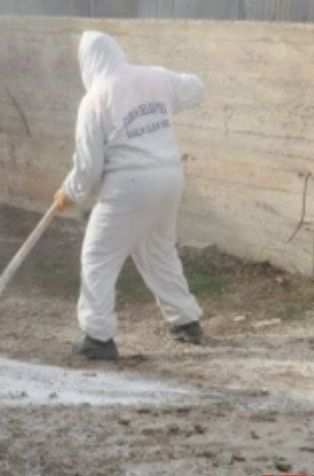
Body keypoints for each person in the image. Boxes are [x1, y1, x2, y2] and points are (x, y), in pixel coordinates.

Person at [53, 31, 206, 361]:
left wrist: (69, 193)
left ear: (88, 61)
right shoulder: (155, 76)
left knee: (98, 256)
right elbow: (196, 87)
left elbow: (88, 165)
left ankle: (98, 337)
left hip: (129, 185)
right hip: (169, 177)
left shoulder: (94, 99)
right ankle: (186, 321)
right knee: (158, 249)